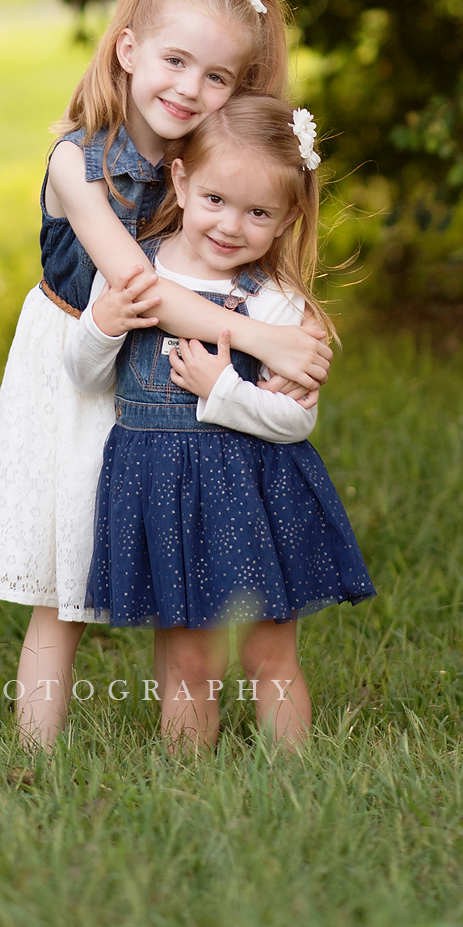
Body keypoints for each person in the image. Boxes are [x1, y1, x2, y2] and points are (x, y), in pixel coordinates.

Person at [0, 0, 333, 747]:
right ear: (129, 49)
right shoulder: (78, 160)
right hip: (75, 360)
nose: (190, 89)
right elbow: (138, 287)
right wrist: (259, 340)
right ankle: (39, 761)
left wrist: (300, 333)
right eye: (175, 62)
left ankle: (186, 728)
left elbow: (253, 246)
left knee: (160, 554)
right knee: (63, 577)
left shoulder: (197, 157)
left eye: (217, 77)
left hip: (157, 379)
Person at [64, 93, 374, 750]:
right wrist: (101, 327)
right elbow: (88, 377)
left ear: (289, 215)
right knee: (189, 664)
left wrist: (223, 390)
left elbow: (295, 422)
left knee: (268, 656)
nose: (231, 225)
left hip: (249, 495)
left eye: (258, 212)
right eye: (215, 201)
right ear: (180, 180)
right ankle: (186, 787)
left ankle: (295, 778)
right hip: (160, 488)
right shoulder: (133, 271)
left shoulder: (275, 302)